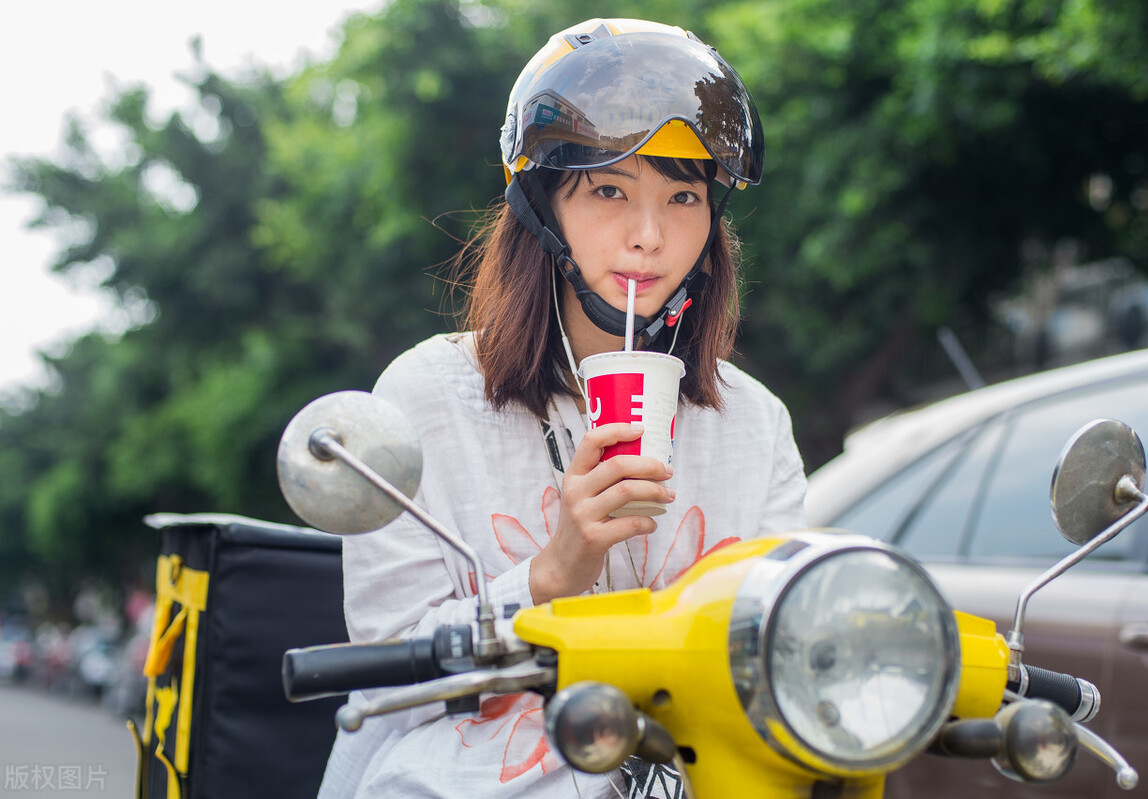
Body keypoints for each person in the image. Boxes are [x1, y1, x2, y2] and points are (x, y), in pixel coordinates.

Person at [317, 17, 808, 799]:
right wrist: (551, 571)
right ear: (542, 207)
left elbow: (784, 634)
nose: (649, 236)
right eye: (609, 189)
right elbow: (381, 676)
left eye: (683, 196)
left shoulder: (754, 421)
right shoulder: (427, 398)